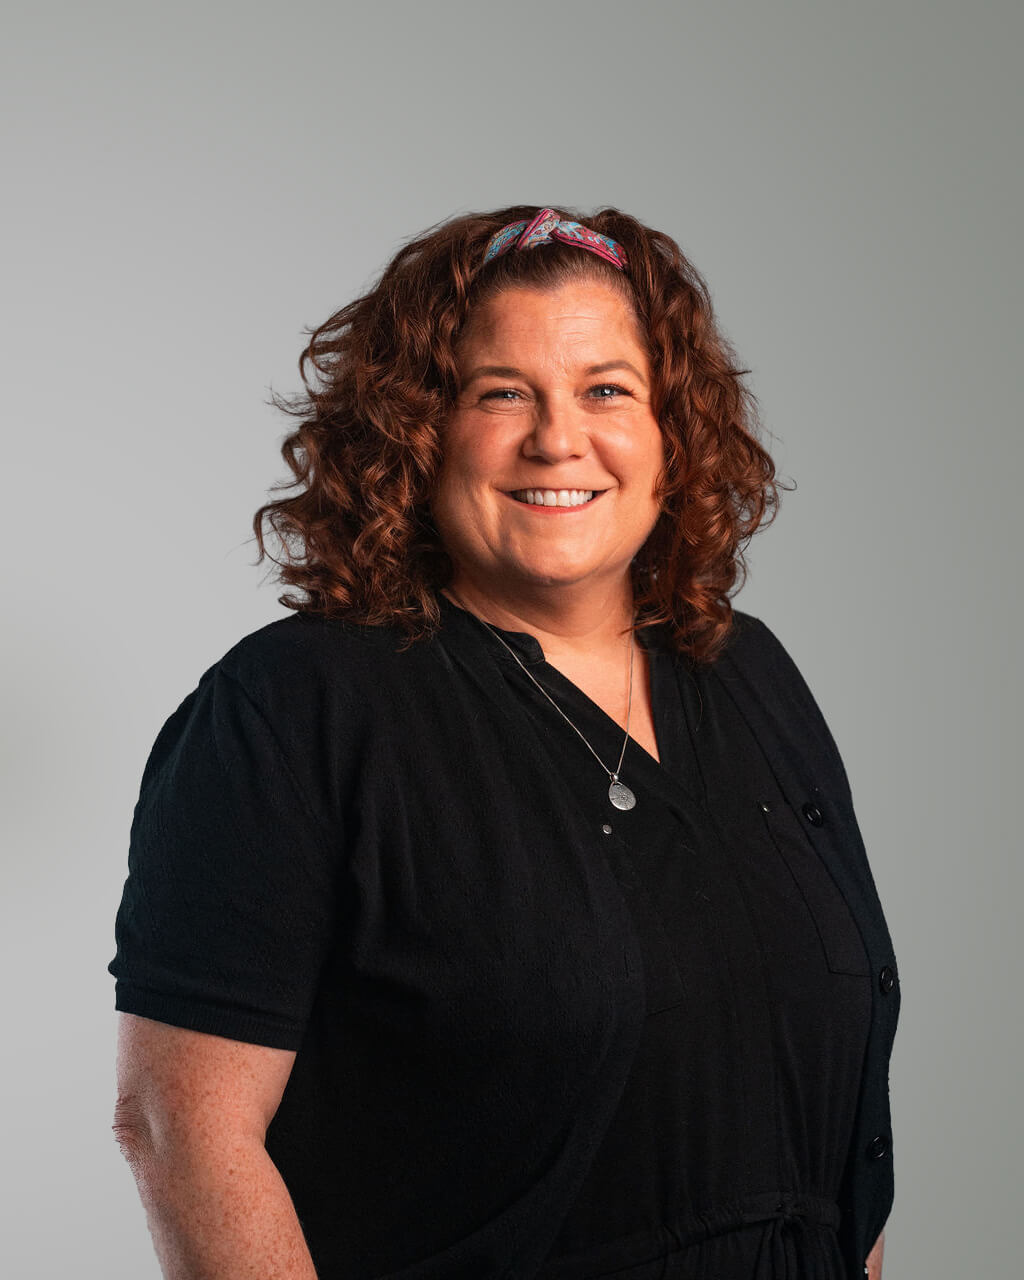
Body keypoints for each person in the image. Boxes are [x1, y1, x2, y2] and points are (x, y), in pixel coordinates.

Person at [109, 205, 900, 1280]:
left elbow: (825, 1132)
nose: (556, 438)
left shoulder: (748, 674)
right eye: (500, 393)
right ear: (415, 430)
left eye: (606, 389)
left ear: (675, 429)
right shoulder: (295, 708)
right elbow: (181, 1129)